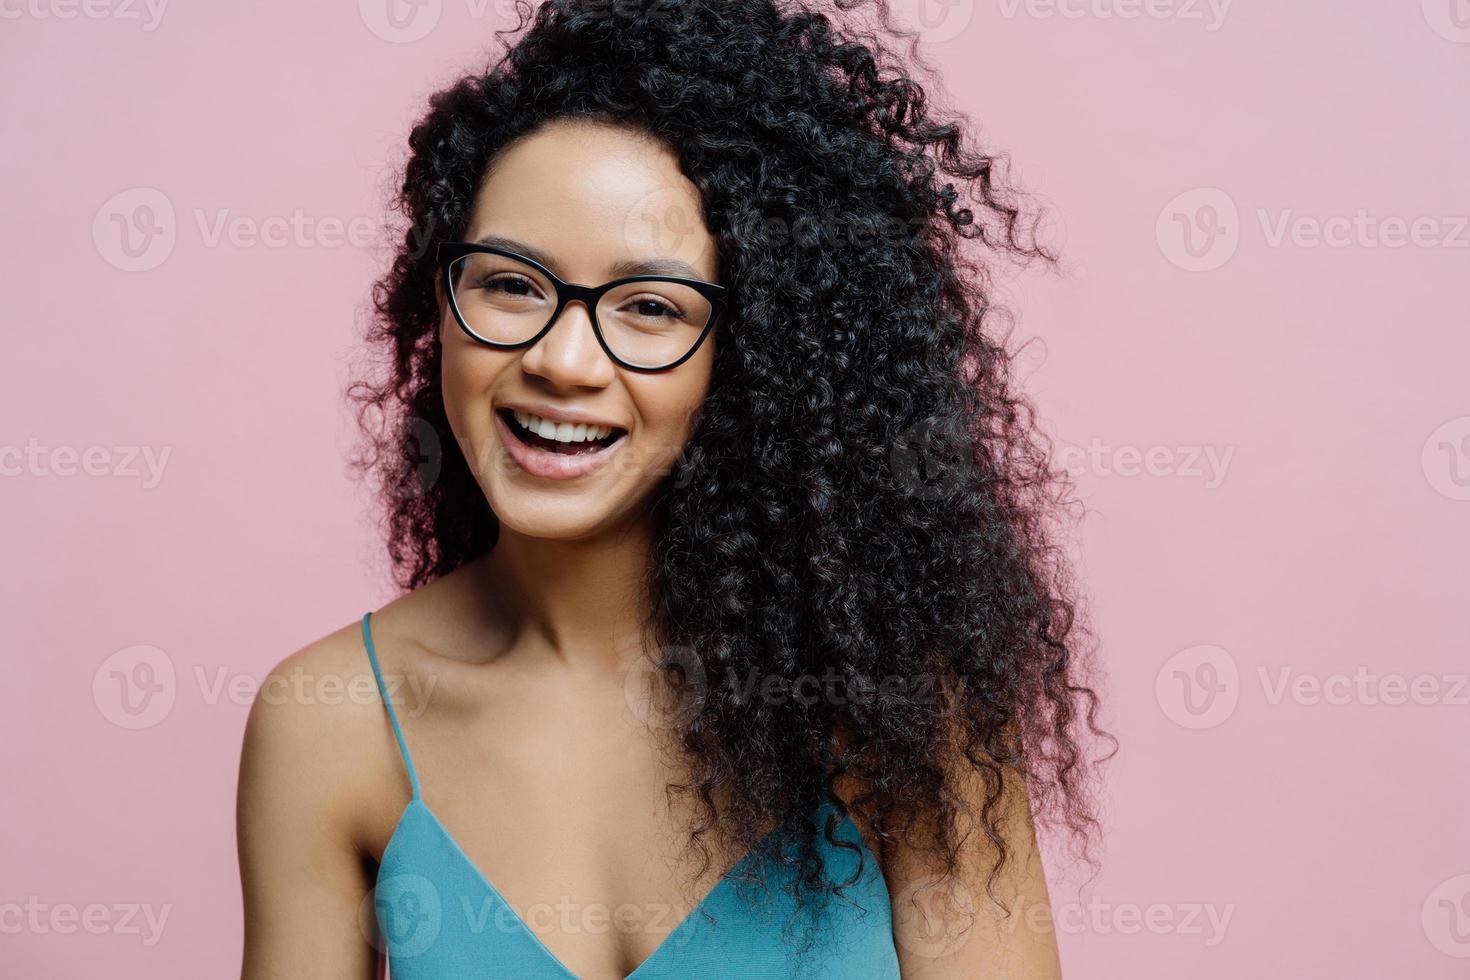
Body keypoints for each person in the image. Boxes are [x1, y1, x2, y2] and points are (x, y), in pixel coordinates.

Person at [238, 1, 1102, 976]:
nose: (561, 360)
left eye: (649, 306)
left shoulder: (898, 707)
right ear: (443, 294)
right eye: (512, 283)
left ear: (753, 353)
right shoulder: (329, 721)